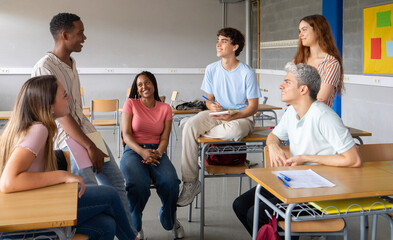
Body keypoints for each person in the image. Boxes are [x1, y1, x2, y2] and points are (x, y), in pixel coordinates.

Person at [31, 13, 137, 235]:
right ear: (65, 34)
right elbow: (62, 115)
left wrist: (92, 142)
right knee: (86, 188)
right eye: (80, 33)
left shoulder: (71, 62)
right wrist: (89, 146)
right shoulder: (45, 67)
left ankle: (129, 234)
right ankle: (99, 232)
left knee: (116, 182)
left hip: (87, 132)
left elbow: (76, 111)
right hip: (69, 139)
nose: (84, 37)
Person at [0, 75, 137, 240]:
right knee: (110, 195)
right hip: (25, 221)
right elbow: (9, 182)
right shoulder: (39, 130)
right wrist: (64, 175)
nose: (69, 98)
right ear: (49, 104)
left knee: (106, 225)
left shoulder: (32, 127)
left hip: (25, 211)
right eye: (64, 95)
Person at [232, 62, 362, 235]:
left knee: (258, 213)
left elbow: (353, 159)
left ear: (303, 90)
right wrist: (273, 146)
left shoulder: (324, 116)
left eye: (287, 82)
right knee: (240, 205)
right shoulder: (292, 113)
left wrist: (306, 157)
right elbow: (274, 136)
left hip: (323, 193)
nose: (281, 86)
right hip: (299, 182)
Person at [177, 27, 261, 207]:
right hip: (217, 114)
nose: (218, 44)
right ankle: (190, 182)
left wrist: (235, 116)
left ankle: (191, 129)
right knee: (191, 126)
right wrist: (211, 105)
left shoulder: (247, 72)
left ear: (235, 46)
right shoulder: (211, 69)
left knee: (235, 130)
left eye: (224, 41)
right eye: (218, 40)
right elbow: (208, 99)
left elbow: (253, 107)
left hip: (240, 117)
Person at [120, 71, 184, 239]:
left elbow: (165, 138)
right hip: (133, 151)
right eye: (140, 85)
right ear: (137, 89)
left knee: (171, 182)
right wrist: (142, 151)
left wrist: (157, 153)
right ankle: (136, 225)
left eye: (147, 83)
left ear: (154, 84)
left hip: (157, 151)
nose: (144, 87)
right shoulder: (131, 104)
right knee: (137, 184)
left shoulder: (165, 108)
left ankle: (168, 216)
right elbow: (126, 135)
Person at [294, 14, 343, 108]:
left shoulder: (331, 64)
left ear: (318, 31)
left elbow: (320, 100)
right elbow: (289, 92)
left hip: (316, 120)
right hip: (295, 116)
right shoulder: (298, 61)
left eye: (304, 30)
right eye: (300, 31)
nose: (300, 34)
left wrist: (295, 97)